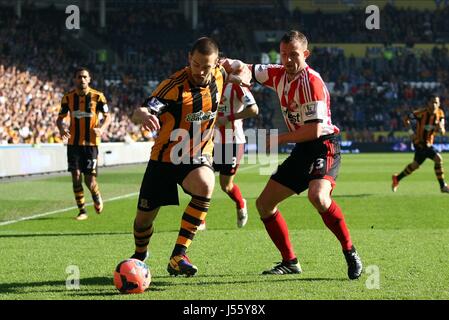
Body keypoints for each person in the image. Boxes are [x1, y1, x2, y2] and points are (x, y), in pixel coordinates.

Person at [222, 30, 363, 279]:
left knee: (318, 196)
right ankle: (290, 261)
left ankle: (350, 251)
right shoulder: (277, 73)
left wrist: (277, 139)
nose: (287, 60)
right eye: (284, 54)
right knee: (264, 205)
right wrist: (222, 63)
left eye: (294, 55)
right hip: (302, 148)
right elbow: (247, 67)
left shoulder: (312, 83)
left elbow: (314, 129)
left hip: (323, 145)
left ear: (305, 54)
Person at [129, 37, 249, 276]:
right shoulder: (172, 87)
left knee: (207, 183)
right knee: (143, 222)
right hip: (164, 159)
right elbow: (141, 110)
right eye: (196, 64)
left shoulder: (218, 74)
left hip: (197, 155)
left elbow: (241, 70)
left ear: (216, 63)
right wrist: (142, 115)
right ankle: (140, 255)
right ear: (189, 59)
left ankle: (178, 255)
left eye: (206, 66)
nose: (200, 71)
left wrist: (242, 76)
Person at [56, 67, 111, 220]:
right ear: (75, 79)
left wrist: (102, 128)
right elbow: (60, 119)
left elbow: (108, 116)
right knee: (75, 175)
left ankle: (96, 194)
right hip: (73, 143)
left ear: (89, 79)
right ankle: (82, 211)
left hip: (91, 144)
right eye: (79, 77)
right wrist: (61, 129)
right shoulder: (68, 98)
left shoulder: (98, 97)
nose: (82, 79)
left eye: (85, 77)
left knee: (90, 180)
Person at [202, 82, 259, 229]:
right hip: (210, 142)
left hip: (232, 142)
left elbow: (253, 110)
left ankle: (241, 203)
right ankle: (199, 220)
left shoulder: (237, 86)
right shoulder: (207, 84)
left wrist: (229, 118)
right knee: (202, 180)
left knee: (225, 186)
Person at [392, 94, 448, 193]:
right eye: (432, 102)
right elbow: (406, 119)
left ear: (439, 104)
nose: (434, 105)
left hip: (429, 143)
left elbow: (442, 128)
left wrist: (441, 129)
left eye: (436, 103)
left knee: (415, 165)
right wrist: (411, 133)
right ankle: (443, 186)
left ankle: (397, 178)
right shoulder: (421, 113)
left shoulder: (440, 113)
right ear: (428, 103)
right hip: (419, 142)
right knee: (438, 159)